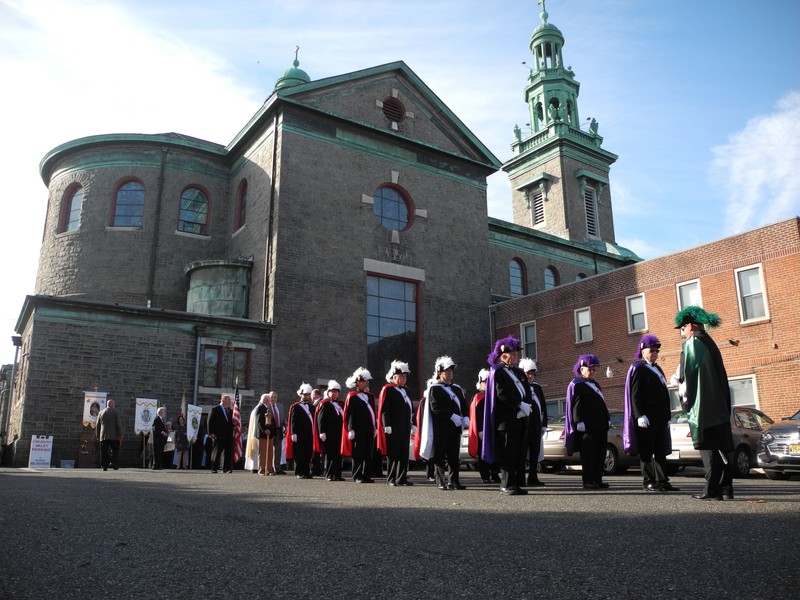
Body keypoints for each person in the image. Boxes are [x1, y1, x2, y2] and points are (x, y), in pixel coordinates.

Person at [673, 306, 734, 500]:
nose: (682, 332)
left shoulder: (694, 343)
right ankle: (725, 488)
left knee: (709, 451)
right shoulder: (709, 342)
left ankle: (711, 489)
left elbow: (690, 375)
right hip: (718, 405)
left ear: (690, 325)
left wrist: (679, 381)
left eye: (682, 328)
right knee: (720, 449)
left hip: (704, 407)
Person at [623, 335, 679, 492]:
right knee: (647, 451)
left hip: (660, 417)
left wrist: (667, 417)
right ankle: (648, 480)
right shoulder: (638, 368)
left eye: (656, 351)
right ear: (642, 351)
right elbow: (634, 395)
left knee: (661, 451)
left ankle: (662, 480)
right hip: (646, 418)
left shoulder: (658, 369)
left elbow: (664, 396)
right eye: (651, 350)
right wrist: (639, 414)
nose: (654, 353)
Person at [482, 337, 532, 496]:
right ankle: (506, 484)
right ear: (503, 356)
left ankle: (516, 484)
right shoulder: (497, 372)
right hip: (506, 421)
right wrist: (518, 405)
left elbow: (527, 391)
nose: (516, 357)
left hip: (521, 418)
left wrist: (526, 405)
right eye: (513, 354)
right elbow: (501, 393)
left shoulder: (518, 372)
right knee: (508, 455)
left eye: (517, 354)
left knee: (519, 454)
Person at [420, 356, 468, 491]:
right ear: (439, 373)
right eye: (446, 372)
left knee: (454, 457)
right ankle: (440, 481)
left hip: (455, 428)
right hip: (441, 429)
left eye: (451, 371)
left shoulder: (457, 389)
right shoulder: (435, 388)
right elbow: (436, 407)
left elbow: (464, 405)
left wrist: (466, 417)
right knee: (440, 457)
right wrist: (452, 416)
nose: (449, 374)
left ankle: (454, 481)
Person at [564, 355, 610, 490]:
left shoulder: (596, 384)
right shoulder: (577, 384)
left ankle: (598, 479)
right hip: (587, 427)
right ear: (581, 369)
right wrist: (579, 421)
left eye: (594, 369)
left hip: (600, 425)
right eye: (589, 369)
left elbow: (601, 405)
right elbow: (575, 405)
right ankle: (588, 480)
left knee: (600, 455)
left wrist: (607, 418)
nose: (592, 372)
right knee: (588, 456)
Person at [377, 360, 415, 487]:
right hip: (393, 427)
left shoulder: (407, 391)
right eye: (401, 376)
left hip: (405, 427)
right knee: (393, 454)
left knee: (404, 454)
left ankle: (402, 478)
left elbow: (411, 409)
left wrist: (413, 423)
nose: (404, 379)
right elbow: (384, 409)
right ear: (394, 377)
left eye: (405, 377)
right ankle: (391, 478)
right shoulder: (388, 390)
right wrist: (386, 425)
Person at [341, 367, 376, 483]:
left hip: (369, 428)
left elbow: (373, 413)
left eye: (367, 381)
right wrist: (350, 429)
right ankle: (357, 476)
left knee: (368, 453)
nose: (366, 383)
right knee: (358, 453)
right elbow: (349, 413)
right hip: (358, 429)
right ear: (358, 383)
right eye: (364, 381)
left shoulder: (370, 396)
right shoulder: (353, 396)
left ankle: (367, 475)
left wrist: (374, 426)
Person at [468, 369, 500, 484]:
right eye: (485, 382)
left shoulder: (495, 396)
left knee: (496, 452)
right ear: (481, 383)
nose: (487, 384)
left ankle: (495, 474)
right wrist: (480, 430)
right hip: (483, 431)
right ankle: (485, 475)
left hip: (494, 429)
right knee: (483, 454)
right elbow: (475, 415)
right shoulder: (478, 397)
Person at [519, 358, 548, 487]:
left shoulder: (537, 387)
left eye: (532, 374)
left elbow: (543, 407)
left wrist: (544, 425)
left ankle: (533, 477)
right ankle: (520, 478)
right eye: (528, 373)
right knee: (522, 453)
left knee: (535, 453)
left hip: (536, 425)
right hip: (524, 425)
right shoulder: (519, 387)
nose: (530, 376)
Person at [314, 380, 344, 481]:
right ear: (328, 392)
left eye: (336, 392)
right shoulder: (325, 404)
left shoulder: (340, 404)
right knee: (330, 455)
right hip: (329, 434)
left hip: (339, 433)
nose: (334, 393)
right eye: (332, 391)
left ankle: (338, 475)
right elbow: (320, 419)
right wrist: (321, 432)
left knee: (338, 455)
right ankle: (330, 475)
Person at [286, 383, 315, 479]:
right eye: (304, 394)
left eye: (308, 394)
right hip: (299, 434)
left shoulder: (312, 407)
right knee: (299, 454)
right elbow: (293, 421)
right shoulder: (296, 406)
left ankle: (306, 472)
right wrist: (293, 433)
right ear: (301, 395)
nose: (306, 396)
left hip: (309, 434)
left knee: (308, 454)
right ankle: (299, 472)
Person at [208, 394, 235, 473]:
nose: (229, 401)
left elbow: (231, 422)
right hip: (218, 434)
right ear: (223, 400)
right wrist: (211, 432)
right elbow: (210, 421)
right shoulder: (215, 409)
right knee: (217, 451)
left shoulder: (230, 411)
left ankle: (226, 468)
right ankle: (214, 468)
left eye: (230, 400)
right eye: (228, 400)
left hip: (228, 435)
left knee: (227, 452)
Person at [96, 398, 123, 471]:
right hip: (114, 435)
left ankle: (104, 466)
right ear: (112, 404)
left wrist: (98, 435)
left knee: (104, 451)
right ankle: (113, 463)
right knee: (115, 450)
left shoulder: (101, 412)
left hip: (103, 435)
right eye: (114, 404)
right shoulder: (116, 412)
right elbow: (118, 424)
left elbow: (98, 425)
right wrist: (120, 434)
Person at [254, 393, 274, 475]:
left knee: (270, 452)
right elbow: (259, 421)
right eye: (270, 399)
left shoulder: (269, 408)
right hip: (263, 435)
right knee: (263, 453)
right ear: (267, 400)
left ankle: (269, 469)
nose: (271, 401)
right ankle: (261, 470)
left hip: (270, 434)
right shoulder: (260, 408)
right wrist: (265, 430)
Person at [268, 392, 287, 474]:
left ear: (277, 398)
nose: (273, 399)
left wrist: (286, 426)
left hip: (279, 430)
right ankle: (269, 468)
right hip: (271, 431)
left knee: (278, 450)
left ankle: (277, 468)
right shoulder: (267, 406)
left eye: (275, 397)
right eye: (271, 397)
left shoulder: (280, 406)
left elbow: (282, 418)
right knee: (269, 450)